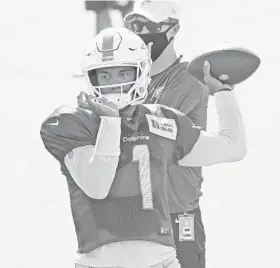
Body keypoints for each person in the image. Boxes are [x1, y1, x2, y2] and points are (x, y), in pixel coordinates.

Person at [40, 27, 246, 268]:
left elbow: (232, 148)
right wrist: (110, 122)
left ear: (142, 72)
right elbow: (97, 186)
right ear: (91, 78)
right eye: (105, 76)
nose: (115, 84)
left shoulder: (163, 120)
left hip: (161, 262)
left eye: (123, 73)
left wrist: (223, 93)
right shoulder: (73, 122)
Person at [124, 1, 209, 267]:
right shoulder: (134, 80)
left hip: (177, 213)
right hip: (137, 214)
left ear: (172, 29)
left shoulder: (188, 77)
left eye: (149, 27)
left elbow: (146, 129)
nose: (141, 33)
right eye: (136, 26)